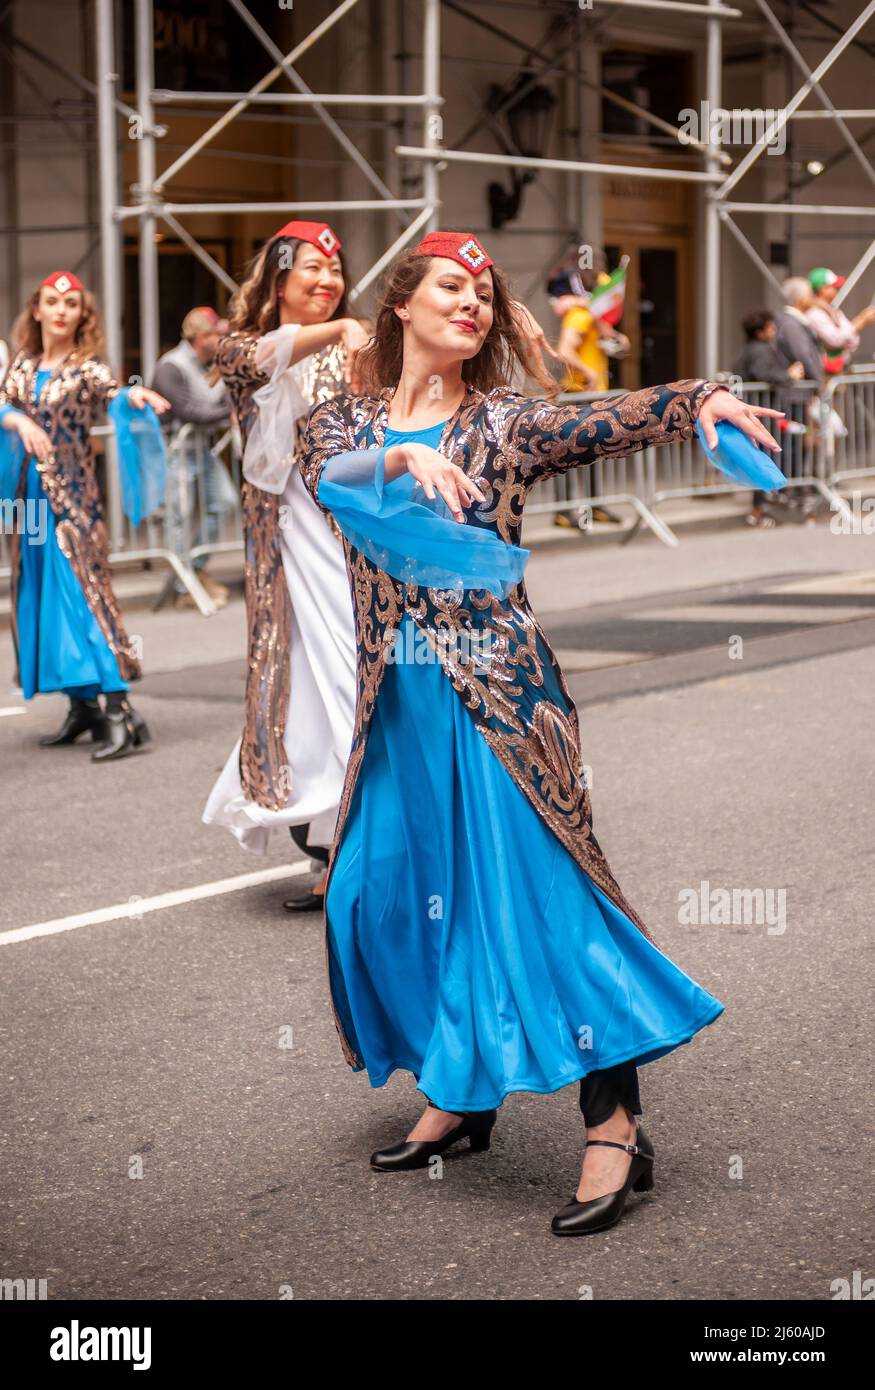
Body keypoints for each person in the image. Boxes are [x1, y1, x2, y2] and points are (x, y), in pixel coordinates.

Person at [298, 230, 783, 1237]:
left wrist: (700, 401)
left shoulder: (504, 421)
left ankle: (613, 1125)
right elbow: (321, 470)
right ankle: (461, 1085)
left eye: (481, 290)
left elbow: (607, 415)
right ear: (401, 306)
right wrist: (392, 452)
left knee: (538, 907)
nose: (469, 302)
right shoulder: (342, 419)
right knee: (376, 897)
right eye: (448, 286)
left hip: (501, 698)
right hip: (396, 705)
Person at [201, 221, 369, 912]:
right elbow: (249, 358)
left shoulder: (358, 351)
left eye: (334, 271)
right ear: (277, 278)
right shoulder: (245, 343)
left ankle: (358, 841)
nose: (327, 282)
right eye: (310, 270)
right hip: (280, 547)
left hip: (345, 540)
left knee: (352, 673)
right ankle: (331, 841)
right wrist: (341, 332)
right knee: (295, 684)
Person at [0, 270, 169, 759]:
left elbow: (112, 391)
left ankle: (118, 710)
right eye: (52, 301)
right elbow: (2, 405)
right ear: (36, 309)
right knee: (44, 602)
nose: (60, 310)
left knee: (87, 599)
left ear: (81, 315)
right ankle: (84, 709)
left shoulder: (85, 369)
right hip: (28, 508)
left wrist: (132, 395)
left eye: (71, 303)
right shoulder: (22, 367)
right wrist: (15, 418)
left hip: (72, 505)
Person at [150, 306, 234, 608]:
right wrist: (230, 413)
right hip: (175, 452)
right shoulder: (171, 366)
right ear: (200, 337)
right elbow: (189, 411)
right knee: (179, 517)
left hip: (202, 450)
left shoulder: (209, 365)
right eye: (216, 334)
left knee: (224, 502)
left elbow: (222, 400)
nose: (222, 338)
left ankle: (194, 570)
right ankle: (184, 583)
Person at [549, 252, 629, 527]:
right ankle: (564, 511)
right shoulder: (579, 316)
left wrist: (619, 339)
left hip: (594, 396)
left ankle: (595, 506)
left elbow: (613, 339)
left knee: (596, 452)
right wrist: (589, 373)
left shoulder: (594, 318)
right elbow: (564, 351)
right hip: (577, 395)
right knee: (568, 455)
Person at [732, 309, 804, 528]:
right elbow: (764, 374)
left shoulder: (750, 349)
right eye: (771, 327)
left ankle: (768, 501)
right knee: (762, 460)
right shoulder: (760, 351)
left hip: (753, 410)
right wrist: (788, 376)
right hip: (759, 412)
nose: (774, 330)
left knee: (762, 459)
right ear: (760, 332)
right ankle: (758, 510)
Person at [805, 266, 875, 375]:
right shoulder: (813, 314)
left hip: (839, 370)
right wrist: (861, 321)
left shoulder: (834, 312)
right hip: (824, 373)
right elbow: (836, 339)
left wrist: (859, 322)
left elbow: (852, 342)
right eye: (832, 287)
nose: (836, 289)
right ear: (822, 289)